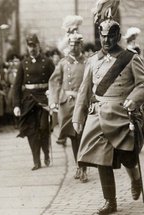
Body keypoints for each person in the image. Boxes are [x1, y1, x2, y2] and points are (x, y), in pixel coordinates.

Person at [72, 14, 144, 214]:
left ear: (118, 36)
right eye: (103, 37)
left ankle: (136, 179)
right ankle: (110, 202)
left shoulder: (131, 58)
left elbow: (142, 84)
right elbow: (85, 90)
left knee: (128, 156)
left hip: (122, 113)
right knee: (100, 158)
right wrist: (77, 117)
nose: (106, 40)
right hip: (98, 115)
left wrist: (134, 98)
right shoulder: (93, 60)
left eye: (110, 37)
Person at [48, 32, 88, 182]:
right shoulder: (63, 63)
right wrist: (53, 100)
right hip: (68, 103)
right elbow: (54, 82)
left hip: (83, 102)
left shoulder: (87, 62)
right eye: (71, 44)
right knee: (73, 136)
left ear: (81, 45)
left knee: (82, 135)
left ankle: (83, 167)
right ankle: (79, 165)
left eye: (76, 44)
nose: (73, 47)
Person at [12, 33, 55, 170]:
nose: (32, 49)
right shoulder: (23, 64)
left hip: (44, 100)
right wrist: (16, 105)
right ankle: (36, 161)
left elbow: (54, 82)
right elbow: (16, 86)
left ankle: (46, 153)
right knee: (32, 131)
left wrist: (53, 98)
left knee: (43, 128)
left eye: (34, 45)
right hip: (29, 101)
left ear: (38, 45)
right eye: (29, 46)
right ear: (27, 47)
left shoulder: (47, 62)